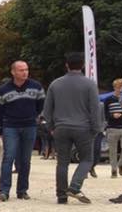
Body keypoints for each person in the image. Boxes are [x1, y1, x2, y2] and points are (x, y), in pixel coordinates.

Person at [43, 51, 103, 204]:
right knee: (87, 159)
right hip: (83, 128)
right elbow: (95, 109)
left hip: (61, 127)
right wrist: (96, 128)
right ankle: (75, 187)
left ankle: (61, 195)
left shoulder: (55, 84)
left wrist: (51, 126)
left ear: (67, 65)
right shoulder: (90, 84)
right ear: (82, 65)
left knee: (62, 162)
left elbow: (47, 109)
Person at [0, 60, 45, 201]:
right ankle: (4, 190)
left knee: (25, 159)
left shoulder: (36, 87)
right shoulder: (4, 90)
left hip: (29, 125)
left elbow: (41, 104)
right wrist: (0, 128)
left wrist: (33, 116)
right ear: (13, 72)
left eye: (26, 69)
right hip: (10, 126)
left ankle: (22, 190)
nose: (25, 72)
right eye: (21, 70)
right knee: (8, 157)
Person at [104, 77, 122, 176]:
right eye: (119, 87)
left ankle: (121, 164)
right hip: (112, 128)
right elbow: (105, 114)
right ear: (114, 88)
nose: (121, 89)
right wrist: (112, 115)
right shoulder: (108, 99)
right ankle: (114, 170)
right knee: (112, 151)